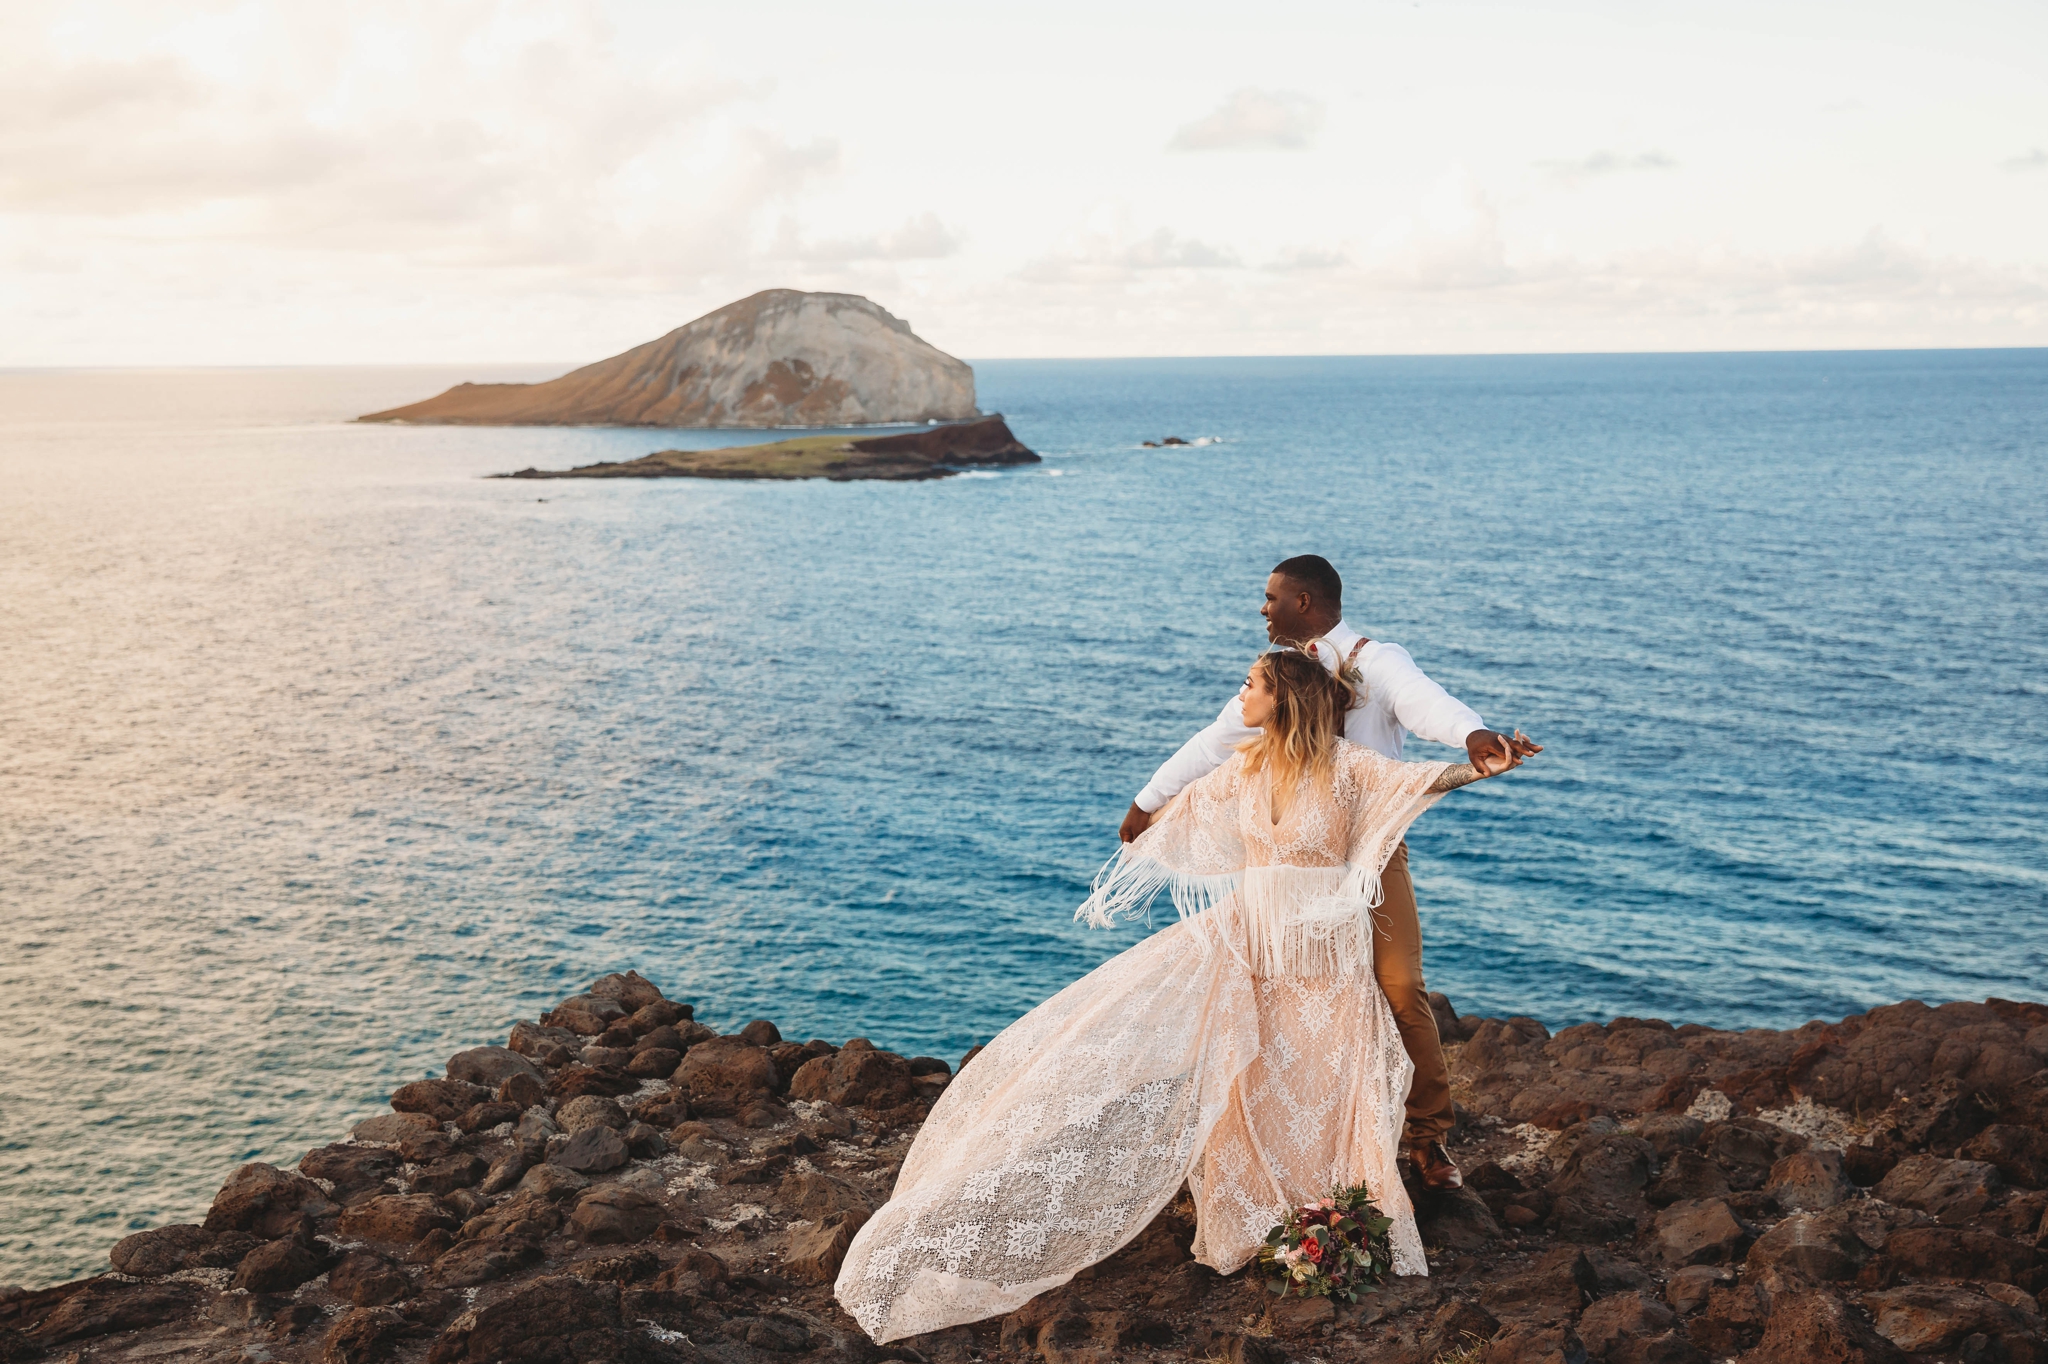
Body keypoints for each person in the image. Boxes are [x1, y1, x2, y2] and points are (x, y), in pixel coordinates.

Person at [835, 648, 1536, 1344]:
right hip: (1255, 949)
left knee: (1330, 1078)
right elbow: (1182, 813)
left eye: (1250, 685)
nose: (1240, 694)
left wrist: (1482, 764)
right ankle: (1265, 1210)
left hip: (1328, 962)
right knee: (1245, 1074)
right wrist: (1142, 821)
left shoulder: (1349, 768)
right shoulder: (1246, 769)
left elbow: (1417, 781)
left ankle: (1335, 1209)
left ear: (1282, 699)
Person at [1119, 555, 1538, 1192]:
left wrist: (1473, 734)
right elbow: (1214, 743)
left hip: (1367, 854)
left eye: (1271, 598)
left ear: (1305, 602)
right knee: (1263, 998)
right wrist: (1148, 802)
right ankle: (1285, 1141)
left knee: (1397, 987)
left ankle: (1427, 1139)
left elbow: (1427, 704)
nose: (1263, 609)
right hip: (1289, 860)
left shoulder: (1378, 660)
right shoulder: (1276, 676)